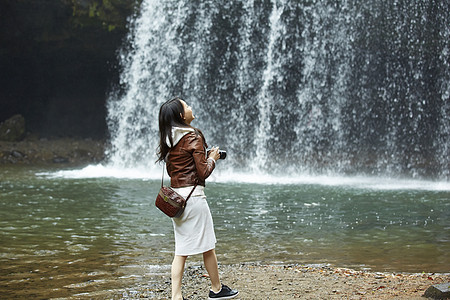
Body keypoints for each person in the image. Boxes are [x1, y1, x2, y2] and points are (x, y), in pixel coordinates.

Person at [157, 97, 239, 300]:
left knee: (181, 251)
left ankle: (176, 296)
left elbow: (171, 169)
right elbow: (202, 172)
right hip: (194, 200)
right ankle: (217, 289)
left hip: (176, 200)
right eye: (187, 106)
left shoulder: (169, 139)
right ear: (181, 116)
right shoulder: (192, 136)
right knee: (208, 246)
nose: (191, 108)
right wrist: (212, 158)